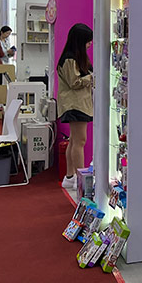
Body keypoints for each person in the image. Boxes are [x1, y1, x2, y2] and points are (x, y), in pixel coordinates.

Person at [57, 23, 93, 189]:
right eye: (88, 41)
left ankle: (70, 176)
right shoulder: (70, 59)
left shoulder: (73, 58)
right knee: (79, 141)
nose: (90, 44)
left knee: (74, 140)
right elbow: (75, 82)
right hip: (75, 104)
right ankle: (80, 180)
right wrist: (92, 77)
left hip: (76, 103)